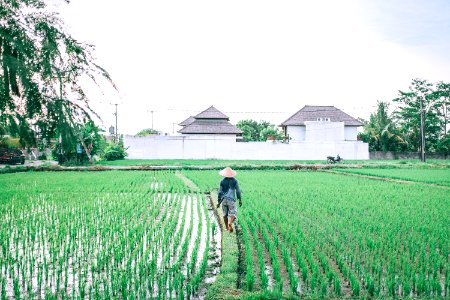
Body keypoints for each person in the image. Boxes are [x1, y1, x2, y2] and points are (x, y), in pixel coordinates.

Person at [218, 167, 242, 233]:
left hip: (224, 200)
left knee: (224, 214)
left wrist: (218, 202)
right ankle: (230, 223)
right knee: (233, 213)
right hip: (231, 200)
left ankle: (226, 228)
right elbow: (238, 191)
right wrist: (239, 199)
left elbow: (220, 192)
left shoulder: (222, 181)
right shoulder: (234, 181)